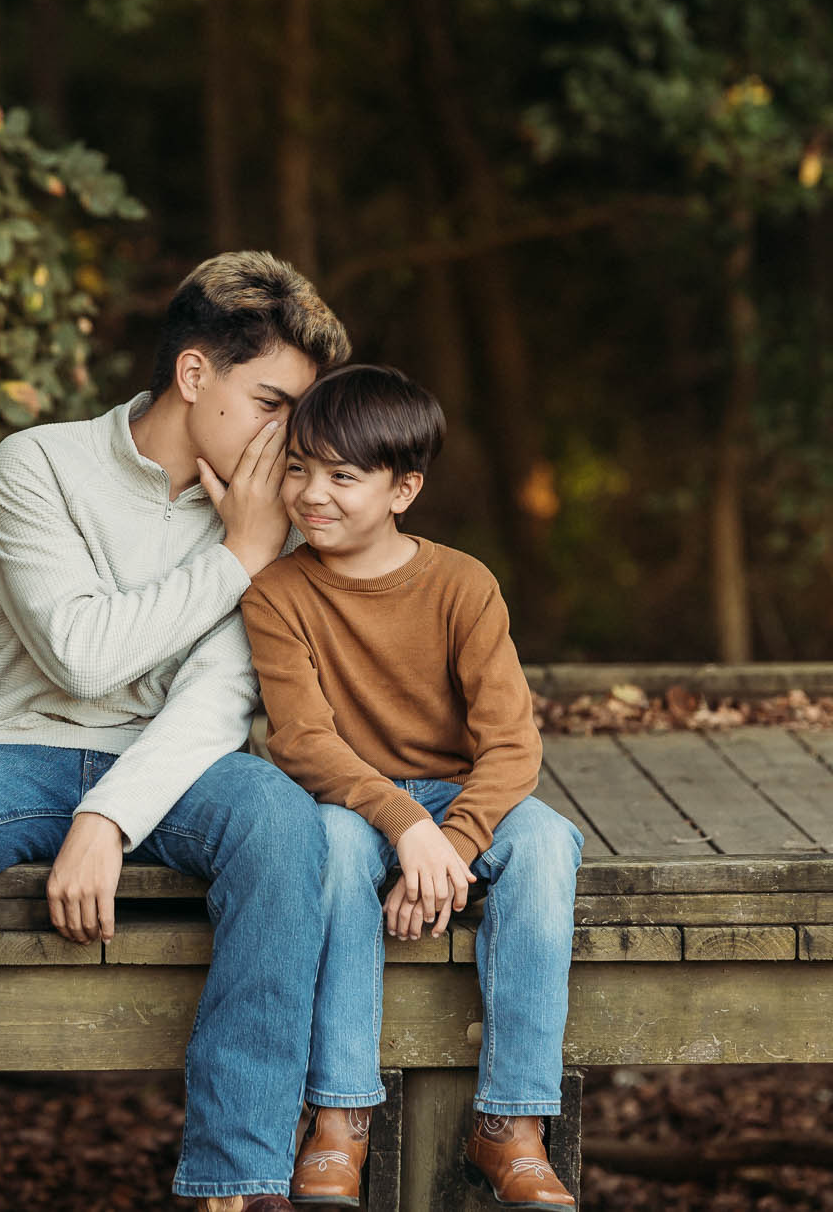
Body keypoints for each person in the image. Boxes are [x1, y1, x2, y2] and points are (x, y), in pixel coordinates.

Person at [0, 251, 350, 1212]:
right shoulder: (39, 463)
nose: (291, 437)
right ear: (195, 374)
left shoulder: (282, 506)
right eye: (273, 402)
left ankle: (235, 1185)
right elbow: (78, 651)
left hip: (180, 763)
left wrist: (108, 817)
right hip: (15, 748)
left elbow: (217, 697)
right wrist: (237, 555)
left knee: (283, 822)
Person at [240, 363, 582, 1209]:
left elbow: (512, 742)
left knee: (545, 842)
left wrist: (454, 839)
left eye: (342, 477)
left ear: (404, 489)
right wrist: (403, 824)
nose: (312, 493)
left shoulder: (463, 585)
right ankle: (340, 1115)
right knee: (326, 845)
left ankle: (513, 1122)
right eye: (299, 467)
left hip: (459, 796)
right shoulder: (277, 592)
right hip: (351, 799)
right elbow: (304, 741)